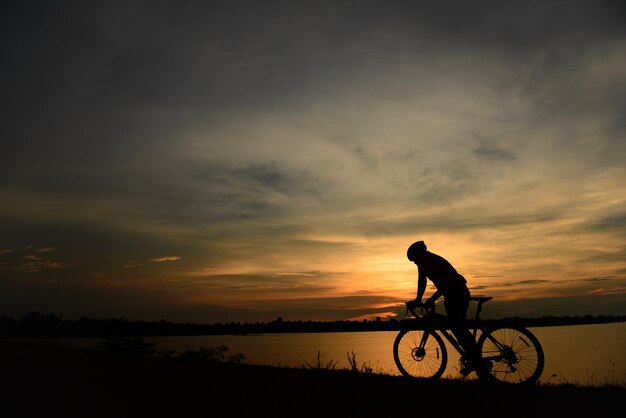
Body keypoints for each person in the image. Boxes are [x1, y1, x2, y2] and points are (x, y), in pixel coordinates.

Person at [406, 240, 487, 376]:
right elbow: (424, 282)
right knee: (459, 327)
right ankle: (475, 360)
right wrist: (421, 299)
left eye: (414, 260)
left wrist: (429, 299)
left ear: (418, 255)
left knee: (457, 327)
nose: (415, 263)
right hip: (456, 292)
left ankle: (478, 361)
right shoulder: (428, 259)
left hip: (455, 293)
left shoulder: (426, 261)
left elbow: (440, 283)